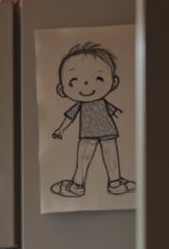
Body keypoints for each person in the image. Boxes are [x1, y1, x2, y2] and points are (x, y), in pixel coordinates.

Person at [49, 41, 135, 198]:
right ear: (62, 89)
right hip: (87, 134)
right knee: (84, 157)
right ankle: (77, 184)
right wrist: (61, 128)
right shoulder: (81, 105)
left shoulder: (103, 102)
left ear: (114, 82)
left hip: (108, 131)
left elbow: (116, 112)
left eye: (99, 79)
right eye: (74, 81)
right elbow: (70, 116)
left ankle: (115, 182)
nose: (87, 84)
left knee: (111, 156)